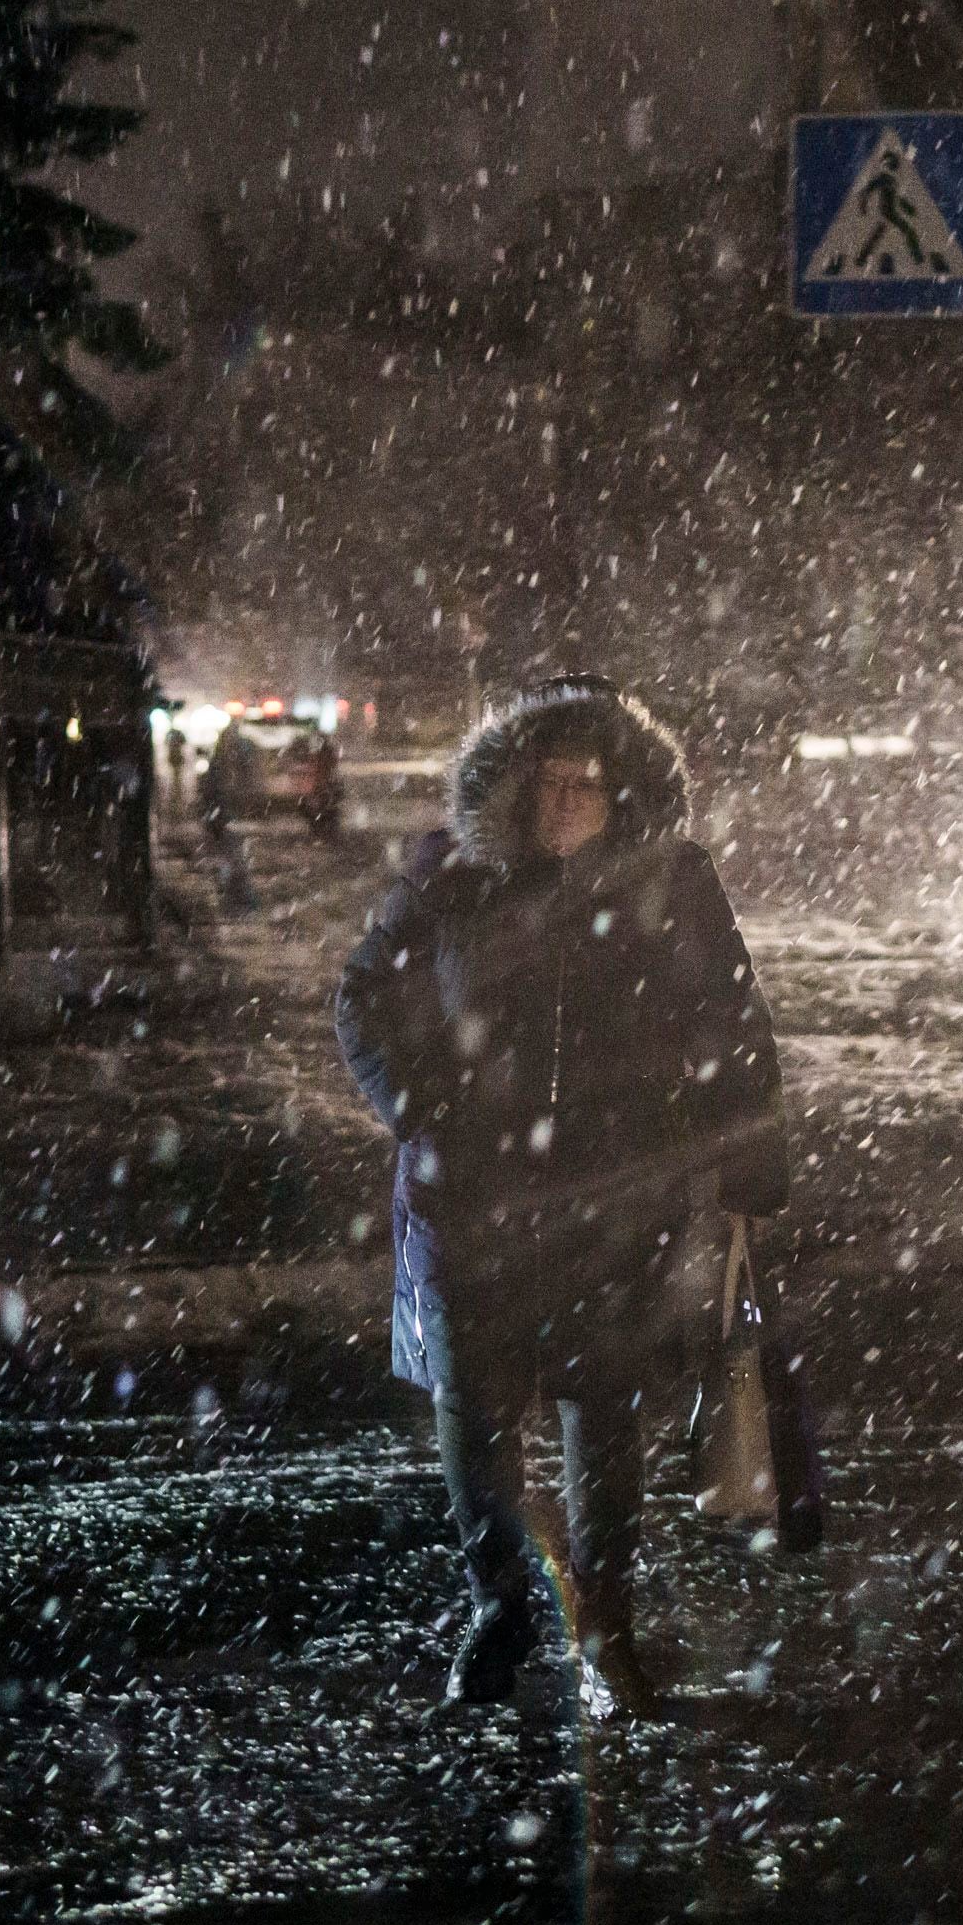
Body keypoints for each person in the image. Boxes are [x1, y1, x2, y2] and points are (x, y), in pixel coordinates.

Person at [336, 677, 790, 1703]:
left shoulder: (670, 883)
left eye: (592, 780)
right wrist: (417, 1104)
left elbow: (730, 1021)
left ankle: (603, 1624)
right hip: (468, 1199)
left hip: (613, 1194)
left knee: (601, 1406)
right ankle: (498, 1609)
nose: (571, 799)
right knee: (476, 1410)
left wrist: (749, 1165)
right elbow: (364, 991)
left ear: (624, 788)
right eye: (552, 780)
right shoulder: (450, 873)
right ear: (516, 782)